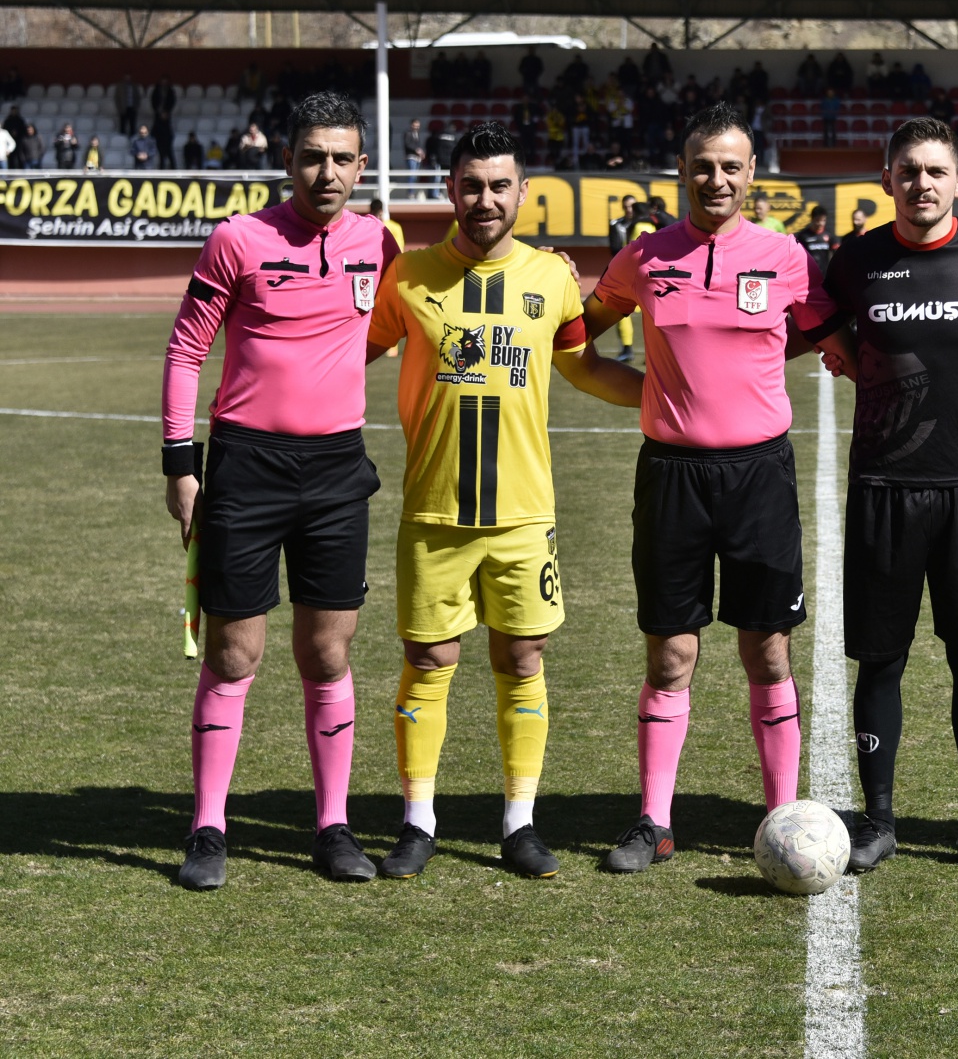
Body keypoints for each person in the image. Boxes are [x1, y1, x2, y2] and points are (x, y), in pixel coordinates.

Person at [578, 103, 854, 874]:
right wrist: (634, 392)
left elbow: (827, 336)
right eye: (703, 165)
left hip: (759, 475)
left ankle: (783, 816)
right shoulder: (643, 257)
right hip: (671, 476)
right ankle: (654, 821)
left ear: (752, 174)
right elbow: (580, 337)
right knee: (671, 653)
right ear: (681, 173)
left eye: (731, 165)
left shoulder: (787, 256)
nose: (717, 178)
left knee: (766, 650)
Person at [365, 122, 643, 880]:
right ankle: (418, 821)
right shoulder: (409, 276)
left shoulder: (552, 278)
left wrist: (668, 398)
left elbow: (584, 367)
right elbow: (348, 349)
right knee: (428, 658)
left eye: (499, 186)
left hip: (525, 514)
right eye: (470, 184)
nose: (484, 198)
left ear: (522, 192)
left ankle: (519, 822)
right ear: (450, 189)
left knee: (522, 658)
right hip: (433, 510)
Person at [161, 91, 401, 892]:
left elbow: (399, 321)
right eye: (311, 156)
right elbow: (186, 348)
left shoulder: (380, 242)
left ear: (361, 167)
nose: (325, 171)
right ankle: (208, 828)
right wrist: (179, 462)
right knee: (236, 652)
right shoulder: (238, 239)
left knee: (327, 650)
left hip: (336, 470)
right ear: (286, 161)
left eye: (341, 158)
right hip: (245, 467)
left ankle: (333, 826)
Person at [819, 118, 958, 875]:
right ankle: (878, 819)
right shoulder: (856, 261)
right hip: (884, 485)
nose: (922, 184)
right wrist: (854, 360)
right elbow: (820, 327)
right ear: (887, 180)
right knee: (881, 660)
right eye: (908, 171)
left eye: (936, 171)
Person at [607, 195, 640, 362]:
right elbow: (614, 248)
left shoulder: (646, 223)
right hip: (624, 274)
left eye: (632, 206)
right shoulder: (616, 224)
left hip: (645, 274)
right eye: (626, 206)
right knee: (621, 311)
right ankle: (627, 348)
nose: (629, 210)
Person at [797, 205, 836, 272]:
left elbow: (835, 255)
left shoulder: (829, 235)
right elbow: (798, 256)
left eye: (823, 220)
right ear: (812, 219)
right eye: (817, 220)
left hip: (825, 274)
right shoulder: (803, 236)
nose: (820, 223)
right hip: (808, 273)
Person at [403, 118, 426, 194]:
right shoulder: (407, 133)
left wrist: (421, 152)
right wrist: (416, 150)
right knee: (412, 174)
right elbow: (407, 144)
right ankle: (410, 192)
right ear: (411, 125)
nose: (416, 127)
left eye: (417, 126)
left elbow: (418, 145)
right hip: (410, 157)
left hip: (417, 158)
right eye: (415, 125)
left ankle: (412, 191)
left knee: (415, 175)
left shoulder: (418, 134)